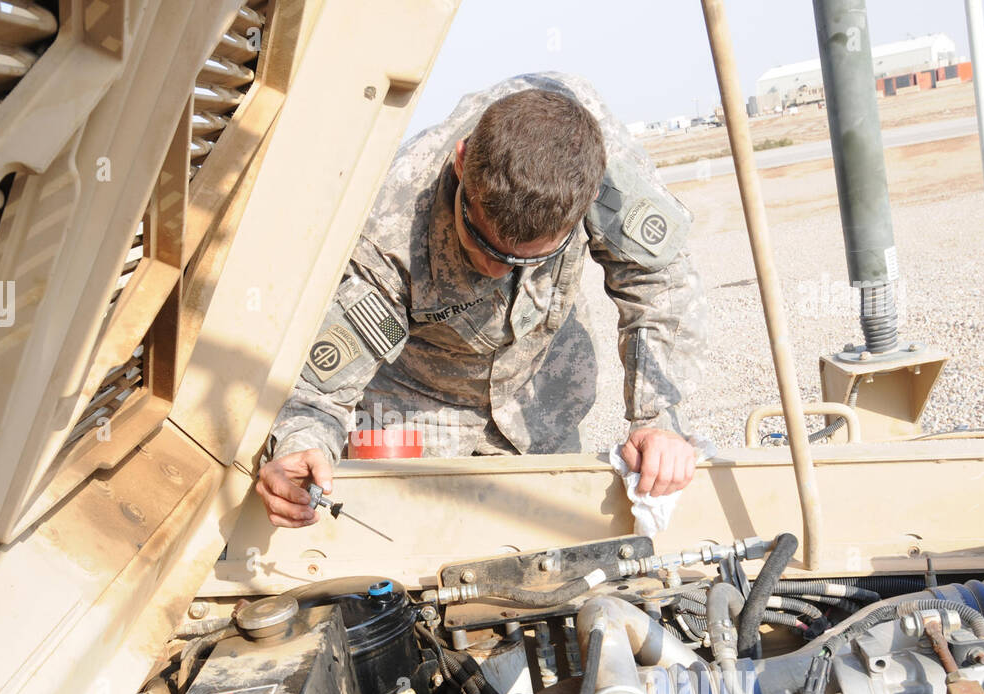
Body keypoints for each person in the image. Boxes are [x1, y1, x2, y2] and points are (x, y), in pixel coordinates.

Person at [257, 73, 708, 528]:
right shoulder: (390, 225)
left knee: (549, 548)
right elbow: (322, 392)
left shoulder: (596, 163)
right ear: (460, 162)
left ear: (589, 200)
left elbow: (658, 280)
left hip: (540, 396)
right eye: (481, 243)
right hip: (418, 407)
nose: (496, 271)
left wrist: (658, 419)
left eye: (525, 259)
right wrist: (302, 446)